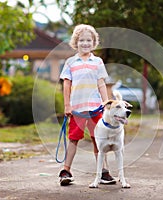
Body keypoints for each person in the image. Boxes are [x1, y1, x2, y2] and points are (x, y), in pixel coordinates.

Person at [59, 24, 116, 186]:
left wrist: (107, 104)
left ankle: (103, 171)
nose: (85, 43)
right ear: (76, 42)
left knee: (99, 140)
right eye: (81, 40)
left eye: (88, 40)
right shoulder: (70, 62)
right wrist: (67, 105)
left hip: (95, 108)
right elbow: (67, 85)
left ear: (94, 42)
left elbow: (101, 84)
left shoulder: (97, 62)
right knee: (73, 139)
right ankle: (66, 171)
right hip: (77, 109)